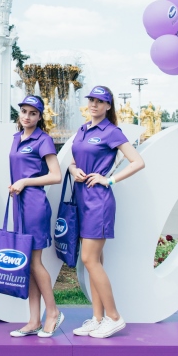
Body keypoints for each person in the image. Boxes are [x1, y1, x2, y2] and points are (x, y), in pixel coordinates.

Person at [68, 85, 145, 339]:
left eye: (100, 101)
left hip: (98, 203)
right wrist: (73, 170)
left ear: (108, 106)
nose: (94, 104)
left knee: (89, 260)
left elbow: (138, 162)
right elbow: (73, 161)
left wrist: (109, 179)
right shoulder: (83, 129)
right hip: (81, 199)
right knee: (94, 262)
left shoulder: (111, 132)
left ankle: (114, 317)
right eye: (91, 100)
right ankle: (97, 318)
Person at [7, 96, 64, 338]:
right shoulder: (16, 138)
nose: (27, 116)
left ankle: (53, 312)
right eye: (24, 111)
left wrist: (24, 181)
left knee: (34, 262)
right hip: (18, 204)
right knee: (28, 263)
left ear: (40, 116)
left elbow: (55, 175)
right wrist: (16, 185)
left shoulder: (43, 140)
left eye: (33, 113)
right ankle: (33, 320)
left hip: (34, 205)